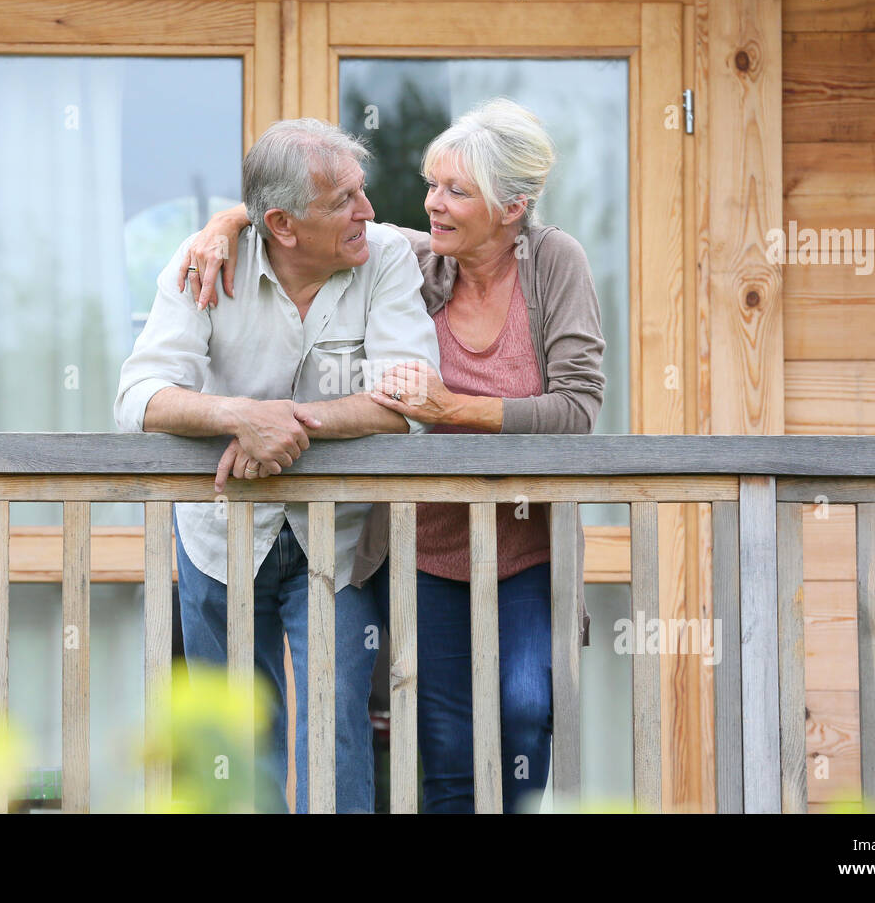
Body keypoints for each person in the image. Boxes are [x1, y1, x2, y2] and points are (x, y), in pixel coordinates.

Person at [178, 98, 606, 813]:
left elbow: (577, 409)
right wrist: (224, 223)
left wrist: (451, 411)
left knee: (525, 717)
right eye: (431, 184)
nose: (432, 204)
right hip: (424, 552)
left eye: (455, 191)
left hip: (528, 549)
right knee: (442, 749)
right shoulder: (417, 256)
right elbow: (299, 213)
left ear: (511, 209)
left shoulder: (555, 263)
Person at [114, 118, 441, 813]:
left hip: (340, 540)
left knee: (337, 732)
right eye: (343, 202)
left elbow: (410, 398)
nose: (368, 212)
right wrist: (237, 415)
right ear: (282, 226)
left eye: (362, 191)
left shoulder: (383, 256)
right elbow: (138, 397)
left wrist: (285, 428)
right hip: (215, 536)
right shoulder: (203, 261)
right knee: (235, 741)